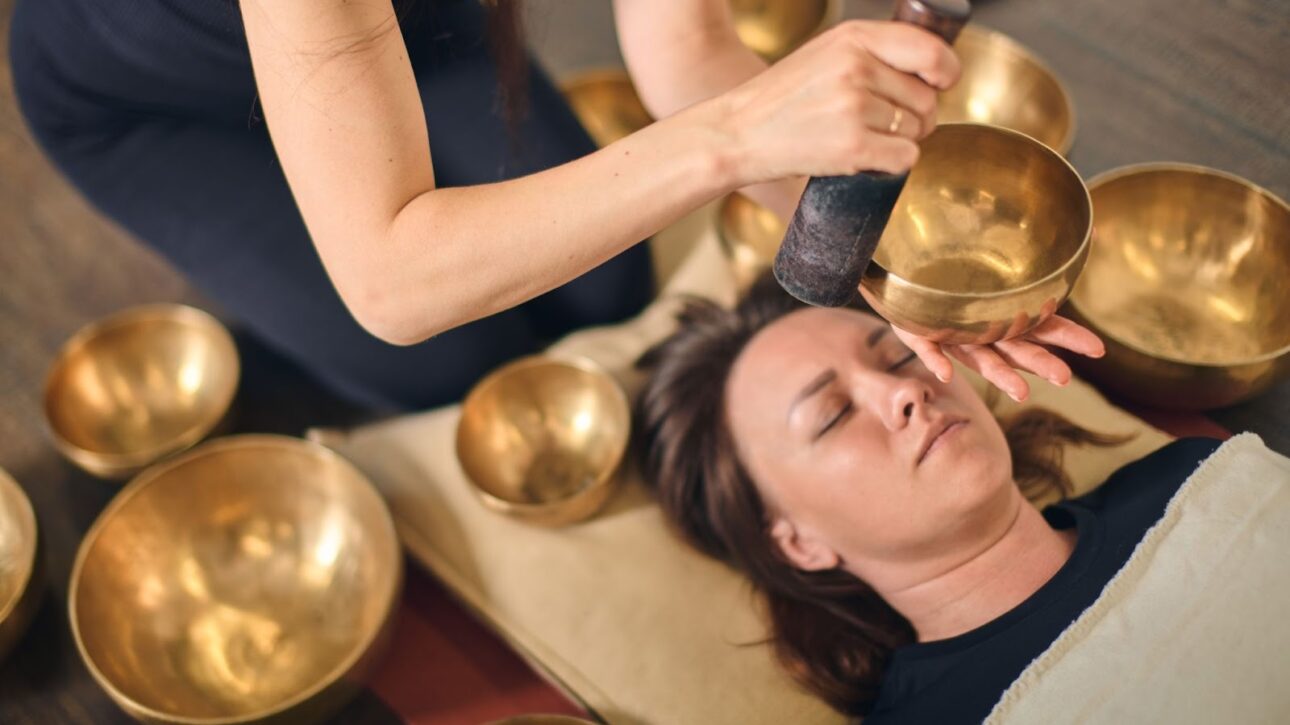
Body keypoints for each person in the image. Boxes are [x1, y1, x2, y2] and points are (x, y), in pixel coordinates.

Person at [10, 0, 1096, 409]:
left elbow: (684, 47)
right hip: (155, 96)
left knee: (606, 277)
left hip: (416, 29)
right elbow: (395, 279)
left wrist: (879, 271)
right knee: (441, 362)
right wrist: (737, 135)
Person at [634, 274, 1223, 722]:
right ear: (800, 544)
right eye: (834, 414)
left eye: (896, 354)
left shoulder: (1192, 483)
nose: (903, 390)